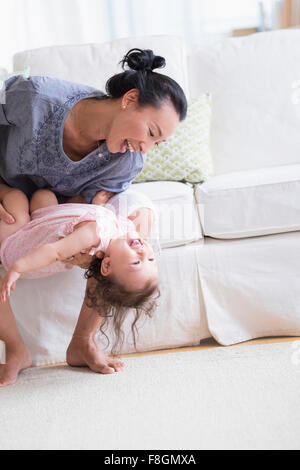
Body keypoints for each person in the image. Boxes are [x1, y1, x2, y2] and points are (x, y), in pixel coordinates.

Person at [0, 47, 187, 223]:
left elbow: (78, 205)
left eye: (156, 143)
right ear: (130, 99)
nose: (145, 149)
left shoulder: (126, 163)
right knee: (14, 222)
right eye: (151, 132)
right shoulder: (34, 97)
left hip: (39, 207)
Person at [0, 187, 159, 387]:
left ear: (107, 264)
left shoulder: (94, 235)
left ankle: (4, 191)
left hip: (15, 243)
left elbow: (55, 252)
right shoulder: (120, 233)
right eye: (151, 258)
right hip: (48, 220)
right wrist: (97, 206)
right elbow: (100, 219)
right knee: (43, 197)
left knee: (16, 197)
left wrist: (18, 267)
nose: (143, 253)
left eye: (136, 262)